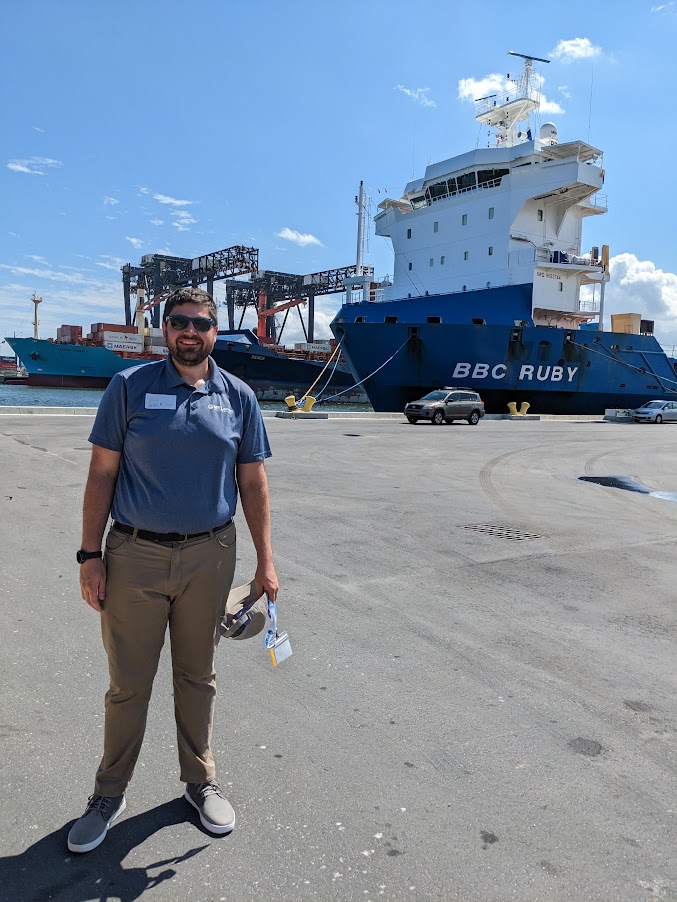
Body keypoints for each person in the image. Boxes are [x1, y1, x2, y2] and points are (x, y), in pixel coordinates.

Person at [68, 286, 279, 854]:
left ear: (216, 331)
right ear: (164, 329)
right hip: (134, 555)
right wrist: (90, 555)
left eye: (200, 323)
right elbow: (101, 474)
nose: (190, 331)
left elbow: (253, 482)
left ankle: (199, 781)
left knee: (197, 677)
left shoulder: (238, 397)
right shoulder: (128, 387)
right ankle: (108, 794)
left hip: (211, 556)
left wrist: (266, 561)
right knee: (128, 684)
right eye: (179, 322)